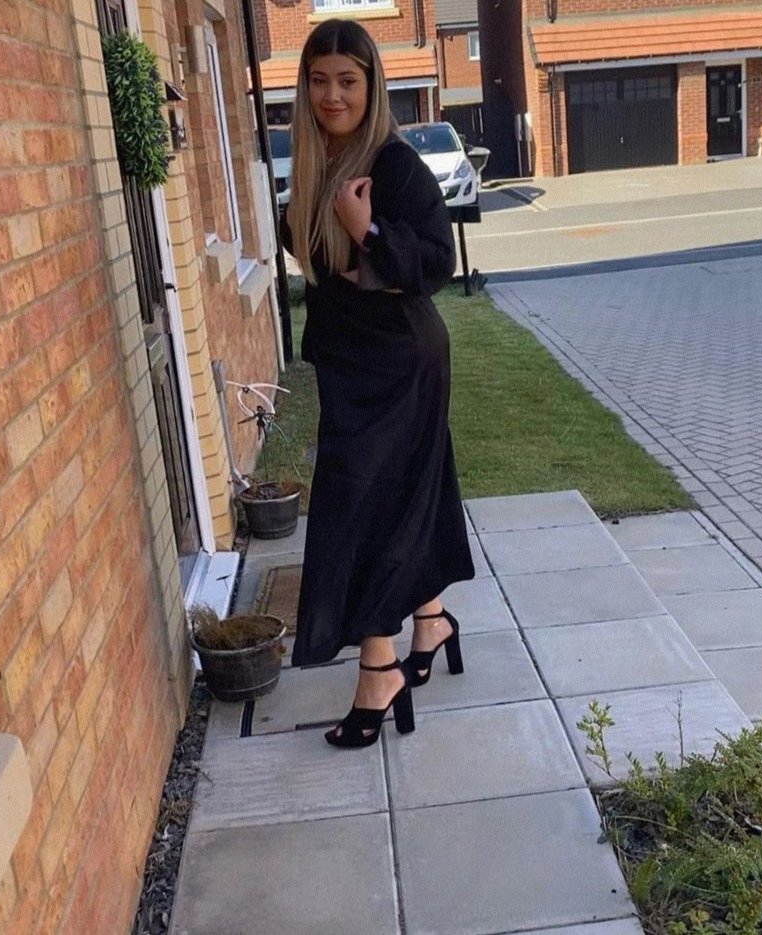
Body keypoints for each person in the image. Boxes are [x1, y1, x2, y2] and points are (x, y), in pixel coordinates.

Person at [280, 19, 475, 748]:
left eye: (347, 81)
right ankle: (431, 621)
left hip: (400, 362)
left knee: (359, 509)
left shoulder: (393, 165)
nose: (332, 95)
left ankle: (378, 669)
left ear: (372, 85)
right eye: (319, 80)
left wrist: (367, 232)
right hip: (351, 363)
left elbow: (436, 262)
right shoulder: (316, 163)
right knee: (405, 492)